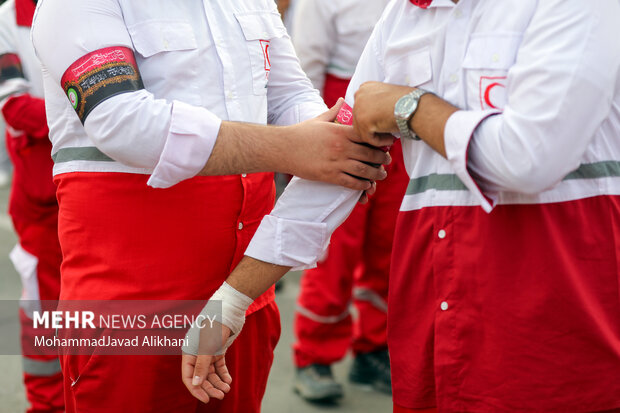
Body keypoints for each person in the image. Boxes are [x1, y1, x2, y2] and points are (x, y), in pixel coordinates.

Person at [184, 1, 620, 412]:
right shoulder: (405, 14)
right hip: (432, 301)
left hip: (554, 298)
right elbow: (340, 159)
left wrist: (407, 106)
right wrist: (231, 301)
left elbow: (529, 158)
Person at [30, 0, 391, 412]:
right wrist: (295, 150)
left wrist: (335, 148)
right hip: (133, 304)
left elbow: (290, 95)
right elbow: (120, 121)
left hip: (244, 296)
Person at [289, 0, 407, 401]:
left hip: (405, 117)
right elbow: (305, 68)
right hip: (343, 113)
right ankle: (314, 354)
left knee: (390, 246)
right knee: (335, 244)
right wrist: (305, 145)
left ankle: (372, 349)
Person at [0, 0, 64, 412]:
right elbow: (14, 106)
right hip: (42, 195)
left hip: (110, 188)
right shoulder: (10, 16)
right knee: (46, 311)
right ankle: (47, 406)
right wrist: (97, 110)